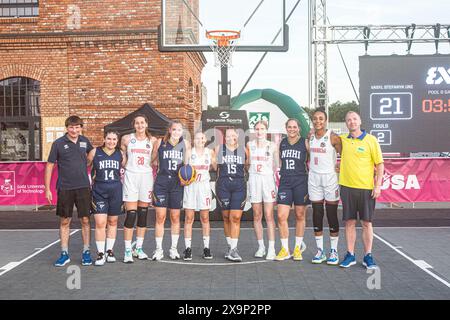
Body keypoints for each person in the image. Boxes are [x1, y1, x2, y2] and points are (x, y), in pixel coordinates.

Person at [45, 115, 94, 267]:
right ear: (67, 128)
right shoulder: (58, 143)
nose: (74, 130)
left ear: (81, 128)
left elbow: (92, 156)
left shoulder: (85, 141)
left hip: (83, 187)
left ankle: (86, 252)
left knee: (85, 220)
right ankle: (64, 253)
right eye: (71, 127)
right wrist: (47, 188)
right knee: (65, 220)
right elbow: (49, 166)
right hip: (65, 187)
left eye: (77, 127)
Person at [338, 111, 384, 270]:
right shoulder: (342, 140)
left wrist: (377, 185)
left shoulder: (371, 140)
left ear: (360, 121)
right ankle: (350, 255)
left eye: (354, 119)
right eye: (348, 120)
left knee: (366, 223)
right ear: (346, 123)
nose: (352, 122)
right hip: (347, 187)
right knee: (349, 222)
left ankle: (368, 256)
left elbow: (380, 165)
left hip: (366, 188)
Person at [306, 108, 342, 265]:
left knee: (332, 214)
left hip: (330, 179)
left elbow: (344, 155)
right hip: (314, 178)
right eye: (315, 118)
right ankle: (320, 250)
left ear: (325, 120)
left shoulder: (333, 137)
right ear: (312, 120)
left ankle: (334, 251)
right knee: (317, 213)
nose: (318, 121)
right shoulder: (310, 136)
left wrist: (339, 166)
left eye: (321, 118)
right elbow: (309, 155)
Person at [152, 120, 190, 261]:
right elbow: (153, 160)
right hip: (161, 182)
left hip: (176, 183)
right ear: (169, 130)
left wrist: (187, 177)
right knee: (160, 217)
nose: (176, 132)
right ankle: (158, 249)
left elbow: (186, 165)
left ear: (182, 132)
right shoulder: (160, 142)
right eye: (174, 129)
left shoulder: (185, 144)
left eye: (179, 130)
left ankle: (173, 249)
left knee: (175, 217)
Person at [121, 114, 157, 263]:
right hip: (131, 176)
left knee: (143, 214)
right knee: (131, 215)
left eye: (142, 123)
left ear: (146, 124)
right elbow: (123, 159)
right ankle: (128, 250)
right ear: (134, 125)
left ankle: (139, 248)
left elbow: (154, 159)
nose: (140, 125)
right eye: (137, 123)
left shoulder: (153, 140)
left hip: (146, 177)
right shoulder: (127, 139)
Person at [87, 131, 126, 266]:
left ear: (117, 141)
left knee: (113, 221)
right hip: (99, 190)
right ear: (104, 139)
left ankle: (110, 251)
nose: (111, 141)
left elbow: (126, 168)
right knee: (100, 223)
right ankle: (100, 253)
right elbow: (86, 167)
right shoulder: (94, 152)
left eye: (114, 139)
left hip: (116, 190)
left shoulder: (120, 154)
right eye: (109, 139)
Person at [275, 118, 309, 261]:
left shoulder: (305, 142)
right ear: (286, 128)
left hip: (301, 181)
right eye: (289, 127)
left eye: (294, 127)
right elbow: (279, 162)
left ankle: (297, 248)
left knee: (300, 215)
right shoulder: (281, 143)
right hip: (285, 182)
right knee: (281, 216)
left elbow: (312, 158)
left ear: (298, 128)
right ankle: (284, 249)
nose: (292, 129)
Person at [246, 120, 278, 260]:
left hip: (267, 180)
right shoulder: (249, 145)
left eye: (262, 129)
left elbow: (277, 166)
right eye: (257, 129)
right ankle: (261, 246)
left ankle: (271, 248)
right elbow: (247, 164)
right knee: (257, 215)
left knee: (269, 215)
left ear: (266, 130)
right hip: (254, 179)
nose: (259, 131)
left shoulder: (272, 146)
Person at [215, 127, 248, 262]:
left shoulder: (244, 150)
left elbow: (247, 166)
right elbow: (214, 166)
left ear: (237, 136)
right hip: (223, 185)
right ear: (224, 137)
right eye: (227, 136)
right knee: (226, 217)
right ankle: (230, 247)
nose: (230, 138)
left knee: (235, 217)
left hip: (239, 185)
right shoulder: (218, 149)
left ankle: (234, 249)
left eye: (232, 136)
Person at [182, 131, 216, 260]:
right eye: (197, 138)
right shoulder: (189, 152)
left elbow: (215, 167)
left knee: (205, 218)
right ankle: (187, 249)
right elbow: (184, 170)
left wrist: (217, 161)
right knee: (189, 218)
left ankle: (206, 248)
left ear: (205, 139)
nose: (199, 140)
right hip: (191, 186)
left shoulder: (210, 152)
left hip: (204, 186)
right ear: (193, 140)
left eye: (202, 138)